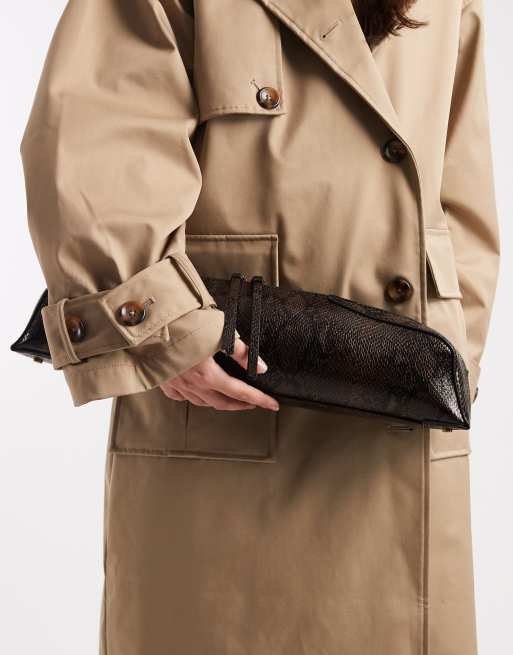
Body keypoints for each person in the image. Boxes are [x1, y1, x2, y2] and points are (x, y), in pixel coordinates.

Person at [20, 1, 500, 653]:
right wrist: (162, 327)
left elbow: (461, 194)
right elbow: (94, 135)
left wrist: (444, 362)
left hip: (399, 432)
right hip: (224, 417)